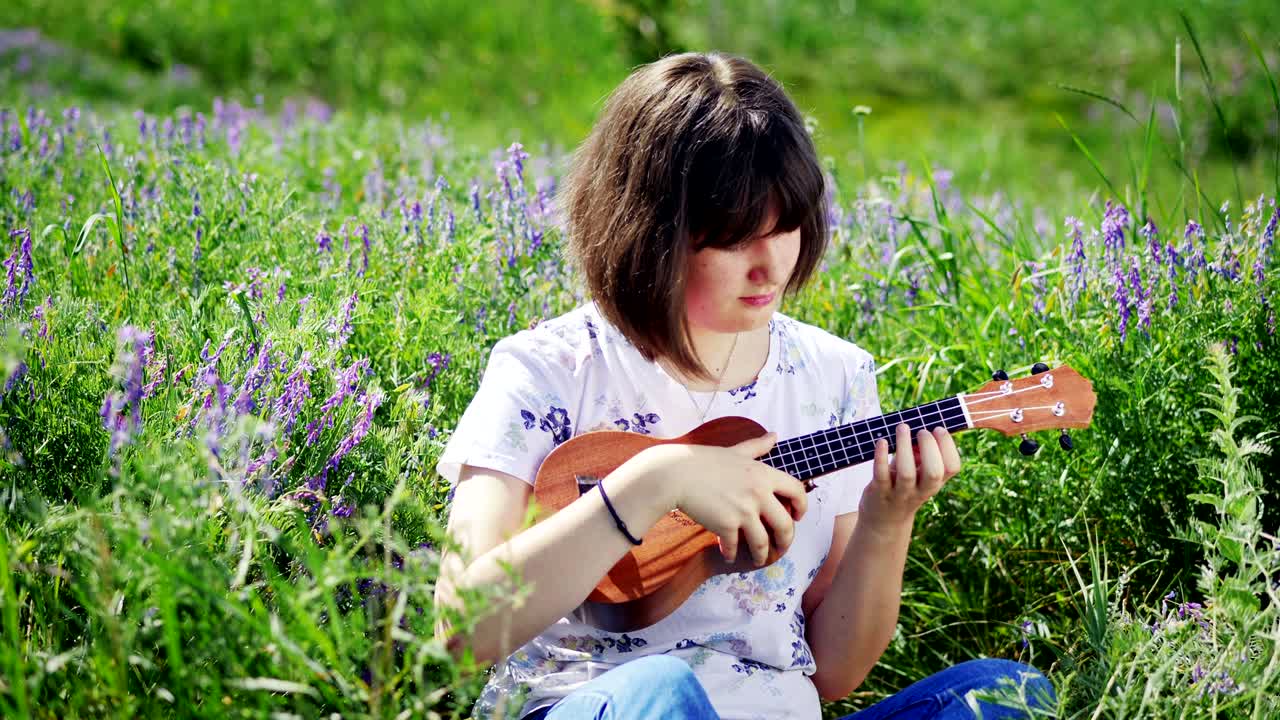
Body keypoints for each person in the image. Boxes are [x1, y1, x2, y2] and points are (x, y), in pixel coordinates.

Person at [433, 52, 1056, 720]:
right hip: (600, 704)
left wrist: (888, 518)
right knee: (662, 691)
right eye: (734, 239)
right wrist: (655, 480)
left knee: (1008, 693)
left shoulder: (834, 376)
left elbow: (837, 672)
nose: (770, 266)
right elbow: (461, 632)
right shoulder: (547, 369)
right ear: (648, 229)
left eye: (787, 226)